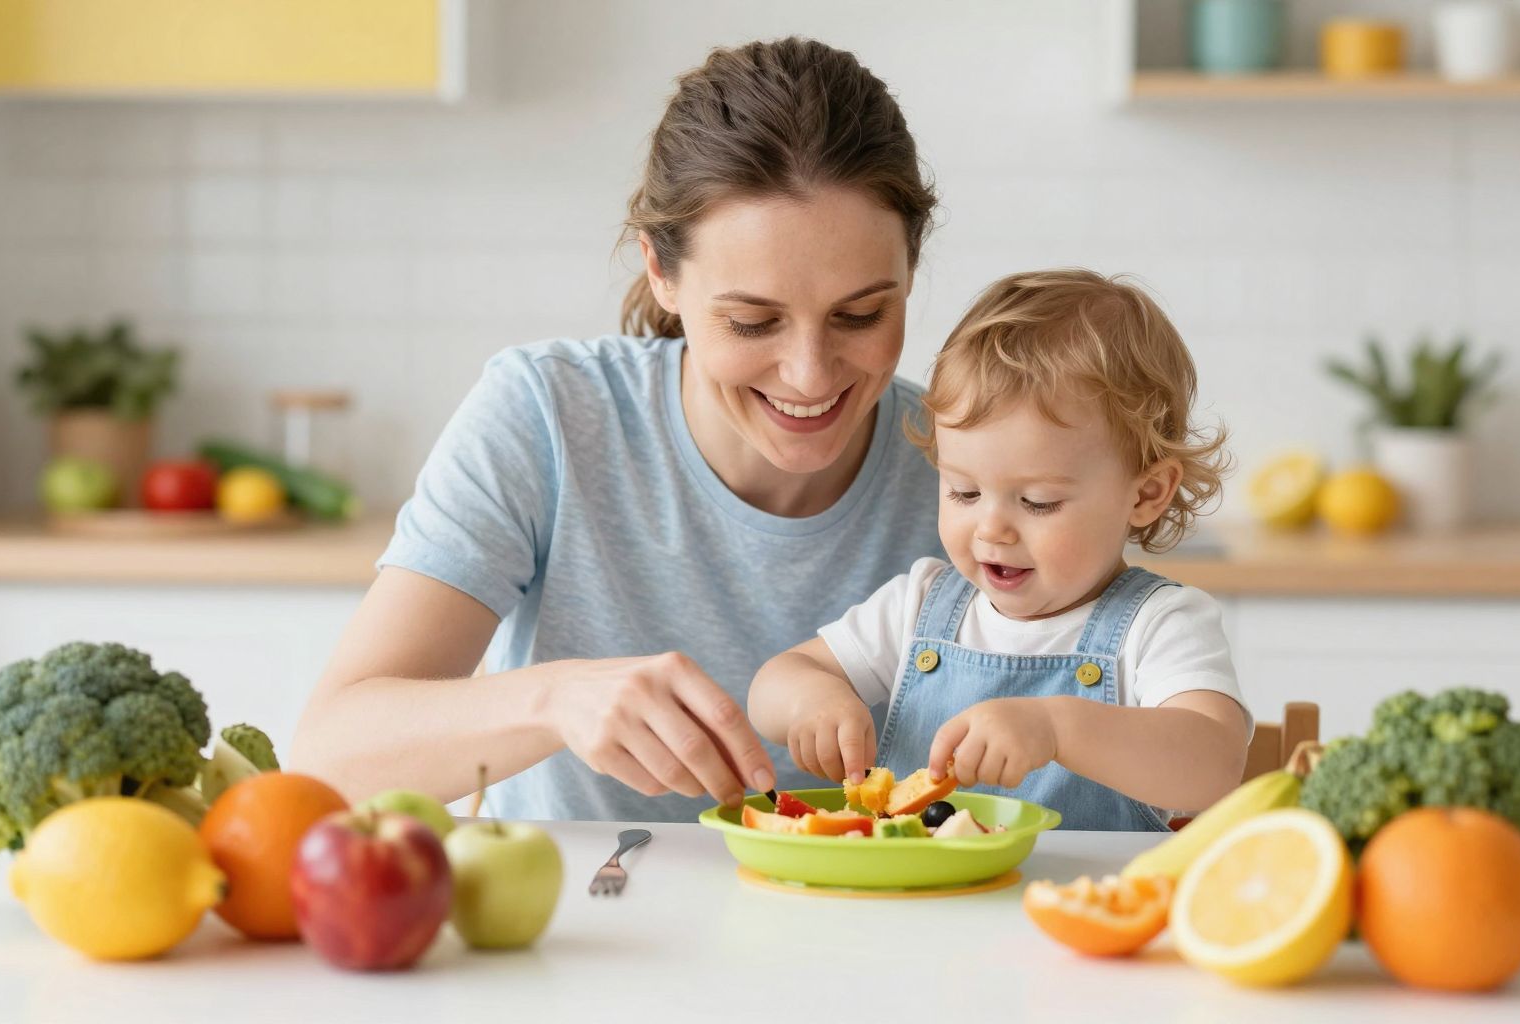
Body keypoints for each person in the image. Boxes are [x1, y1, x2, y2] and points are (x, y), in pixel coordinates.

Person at [289, 37, 945, 822]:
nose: (809, 374)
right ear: (661, 274)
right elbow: (328, 758)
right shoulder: (548, 416)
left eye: (861, 314)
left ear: (911, 269)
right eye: (751, 321)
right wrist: (555, 699)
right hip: (587, 929)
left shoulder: (970, 468)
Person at [748, 270, 1251, 830]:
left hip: (1074, 908)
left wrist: (1058, 729)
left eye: (1037, 502)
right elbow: (774, 680)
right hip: (919, 907)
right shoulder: (922, 606)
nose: (991, 528)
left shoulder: (1158, 625)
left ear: (1147, 492)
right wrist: (812, 700)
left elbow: (1214, 762)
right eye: (963, 491)